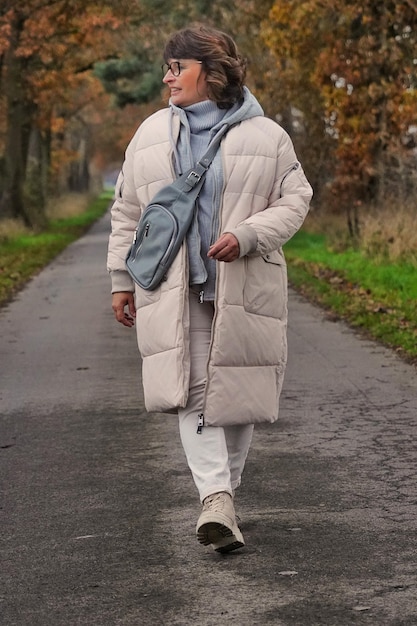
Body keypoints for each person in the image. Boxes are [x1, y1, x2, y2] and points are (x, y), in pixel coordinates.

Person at [107, 24, 313, 554]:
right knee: (192, 388)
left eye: (177, 67)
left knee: (238, 395)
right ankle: (215, 496)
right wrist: (120, 280)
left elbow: (295, 200)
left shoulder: (267, 135)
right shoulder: (150, 133)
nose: (166, 77)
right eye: (167, 67)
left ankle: (224, 500)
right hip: (174, 287)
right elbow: (128, 212)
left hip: (246, 282)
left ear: (212, 71)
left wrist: (246, 235)